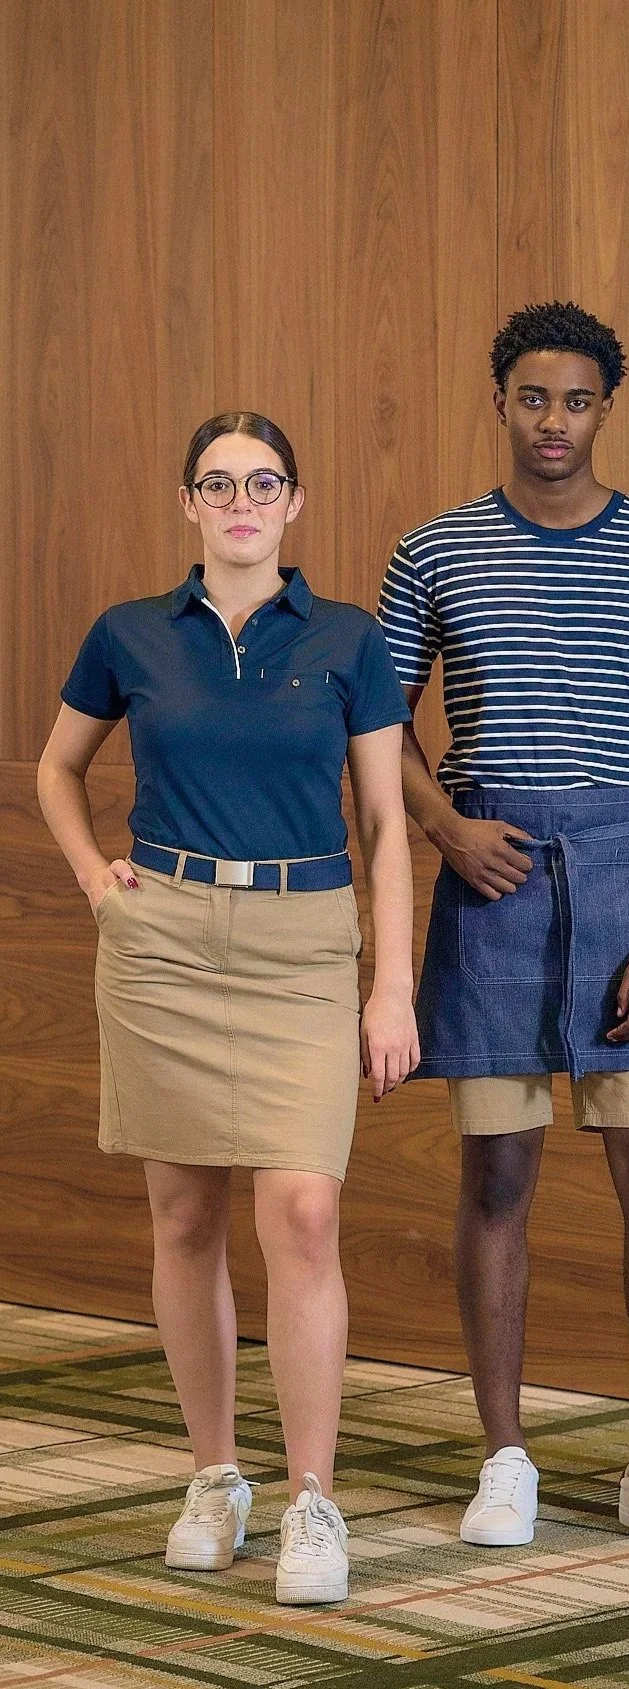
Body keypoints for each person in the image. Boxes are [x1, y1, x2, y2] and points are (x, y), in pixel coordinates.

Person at [37, 411, 417, 1606]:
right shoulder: (130, 633)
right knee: (184, 1215)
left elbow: (386, 825)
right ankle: (215, 1478)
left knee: (302, 1213)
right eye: (218, 484)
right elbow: (57, 768)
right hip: (165, 944)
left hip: (306, 940)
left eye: (262, 484)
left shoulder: (348, 638)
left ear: (294, 502)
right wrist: (95, 880)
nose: (240, 503)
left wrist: (392, 985)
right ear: (189, 503)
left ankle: (313, 1498)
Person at [378, 301, 629, 1551]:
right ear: (500, 401)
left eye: (577, 401)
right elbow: (375, 726)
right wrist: (443, 827)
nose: (554, 421)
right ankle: (505, 1458)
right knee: (497, 1173)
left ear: (604, 410)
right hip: (493, 877)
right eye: (533, 397)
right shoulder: (433, 550)